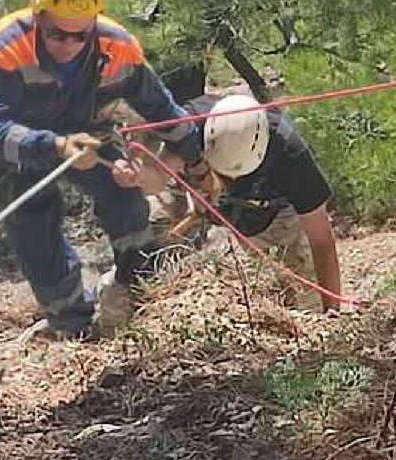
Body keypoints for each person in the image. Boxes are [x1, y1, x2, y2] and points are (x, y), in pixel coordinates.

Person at [0, 0, 202, 339]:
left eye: (80, 35)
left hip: (92, 137)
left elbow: (164, 111)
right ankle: (73, 325)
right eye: (57, 34)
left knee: (126, 198)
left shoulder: (119, 47)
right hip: (24, 147)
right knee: (33, 231)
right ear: (38, 17)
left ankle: (141, 294)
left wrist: (186, 161)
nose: (69, 45)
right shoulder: (6, 46)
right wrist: (56, 146)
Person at [138, 93, 344, 311]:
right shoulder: (190, 125)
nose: (228, 181)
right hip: (192, 186)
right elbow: (158, 175)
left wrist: (332, 314)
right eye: (223, 174)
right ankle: (117, 310)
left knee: (307, 301)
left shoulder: (291, 155)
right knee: (141, 234)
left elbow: (321, 240)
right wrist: (140, 177)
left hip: (268, 212)